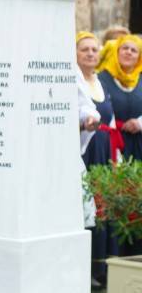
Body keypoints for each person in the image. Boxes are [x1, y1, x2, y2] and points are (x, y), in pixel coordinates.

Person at [76, 31, 120, 288]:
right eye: (85, 50)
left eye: (94, 50)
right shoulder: (74, 80)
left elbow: (110, 117)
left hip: (105, 148)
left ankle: (103, 266)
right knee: (88, 208)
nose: (91, 54)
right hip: (88, 149)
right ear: (75, 54)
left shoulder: (102, 80)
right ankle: (86, 266)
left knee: (105, 206)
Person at [97, 33, 142, 255]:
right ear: (116, 51)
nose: (128, 53)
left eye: (134, 50)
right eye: (124, 48)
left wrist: (140, 123)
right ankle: (115, 255)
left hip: (140, 145)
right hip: (113, 146)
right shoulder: (103, 79)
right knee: (116, 198)